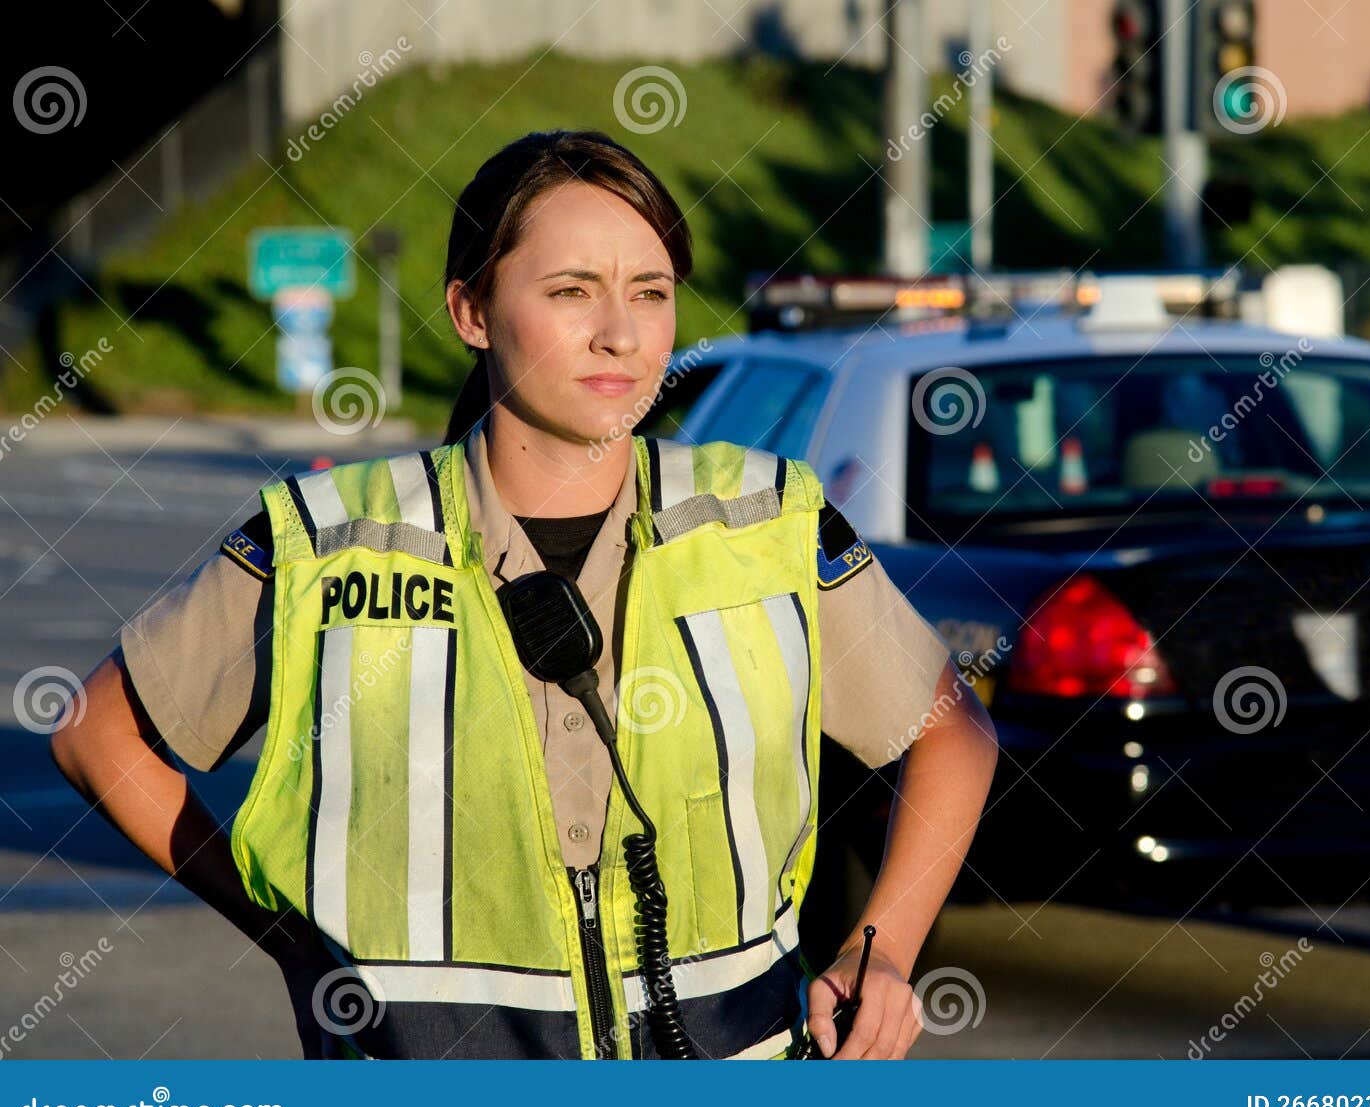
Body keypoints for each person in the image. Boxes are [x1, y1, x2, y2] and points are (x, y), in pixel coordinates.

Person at [50, 129, 997, 1060]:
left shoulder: (769, 520)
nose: (622, 334)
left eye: (650, 293)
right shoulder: (326, 540)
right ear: (471, 311)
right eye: (571, 292)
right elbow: (97, 731)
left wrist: (883, 954)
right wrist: (295, 943)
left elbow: (950, 732)